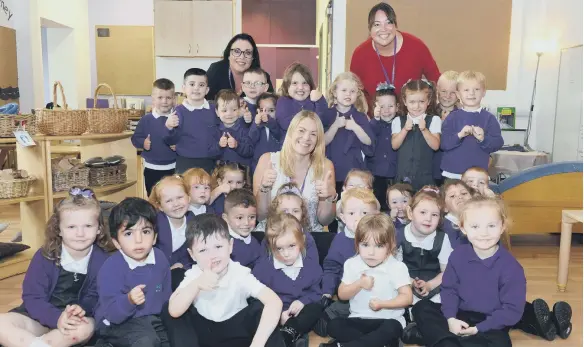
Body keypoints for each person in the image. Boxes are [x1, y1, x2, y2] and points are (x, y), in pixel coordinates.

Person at [0, 187, 109, 347]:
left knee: (86, 329)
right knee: (1, 322)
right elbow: (33, 297)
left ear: (99, 228)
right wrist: (57, 318)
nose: (80, 233)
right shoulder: (44, 256)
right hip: (38, 318)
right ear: (59, 229)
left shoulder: (104, 261)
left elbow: (99, 298)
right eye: (71, 227)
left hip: (74, 323)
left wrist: (78, 311)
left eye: (88, 226)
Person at [412, 196, 525, 347]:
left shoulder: (512, 267)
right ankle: (447, 342)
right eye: (475, 226)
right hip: (459, 314)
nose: (483, 233)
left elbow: (512, 310)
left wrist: (479, 328)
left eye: (491, 226)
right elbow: (449, 289)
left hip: (490, 322)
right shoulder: (458, 255)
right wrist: (450, 318)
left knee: (500, 343)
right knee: (421, 308)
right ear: (464, 228)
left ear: (502, 226)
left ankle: (444, 339)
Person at [162, 214, 285, 347]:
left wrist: (257, 344)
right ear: (192, 255)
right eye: (203, 250)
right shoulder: (194, 274)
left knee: (260, 309)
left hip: (237, 335)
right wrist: (196, 284)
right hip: (205, 335)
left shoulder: (240, 273)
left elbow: (274, 302)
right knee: (171, 308)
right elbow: (174, 310)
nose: (212, 255)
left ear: (230, 246)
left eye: (218, 247)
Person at [321, 214, 412, 347]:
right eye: (365, 245)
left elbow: (407, 298)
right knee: (334, 325)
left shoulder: (397, 266)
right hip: (358, 320)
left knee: (393, 328)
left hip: (387, 320)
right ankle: (378, 343)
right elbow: (342, 294)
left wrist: (383, 304)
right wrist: (359, 284)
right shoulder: (352, 264)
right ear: (357, 244)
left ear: (391, 245)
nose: (371, 252)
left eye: (379, 246)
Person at [95, 197, 171, 347]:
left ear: (155, 237)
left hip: (151, 319)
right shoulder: (111, 268)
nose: (138, 240)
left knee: (171, 339)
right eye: (129, 233)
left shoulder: (160, 259)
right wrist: (129, 300)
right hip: (116, 322)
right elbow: (111, 312)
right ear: (116, 242)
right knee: (146, 341)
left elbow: (165, 297)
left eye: (146, 231)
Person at [254, 110, 337, 233]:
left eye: (313, 134)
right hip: (271, 237)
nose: (306, 138)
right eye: (301, 131)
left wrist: (330, 197)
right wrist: (264, 188)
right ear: (291, 131)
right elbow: (260, 216)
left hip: (309, 240)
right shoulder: (267, 160)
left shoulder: (325, 166)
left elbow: (325, 221)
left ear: (318, 139)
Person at [315, 188, 379, 337]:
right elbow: (332, 268)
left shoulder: (380, 237)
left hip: (377, 292)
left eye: (364, 213)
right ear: (342, 217)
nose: (358, 218)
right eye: (352, 213)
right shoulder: (340, 240)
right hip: (349, 293)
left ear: (375, 215)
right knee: (328, 318)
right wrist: (327, 292)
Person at [253, 212, 324, 347]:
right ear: (270, 247)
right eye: (278, 248)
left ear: (302, 241)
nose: (285, 254)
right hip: (274, 313)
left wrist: (302, 301)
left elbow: (316, 293)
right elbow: (256, 297)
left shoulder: (311, 265)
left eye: (291, 246)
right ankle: (289, 335)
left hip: (301, 312)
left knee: (316, 308)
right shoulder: (263, 268)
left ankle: (290, 333)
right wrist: (278, 315)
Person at [350, 2, 440, 107]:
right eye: (377, 24)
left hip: (412, 119)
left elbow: (437, 83)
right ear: (370, 29)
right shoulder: (360, 55)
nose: (383, 29)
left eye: (388, 23)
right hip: (374, 120)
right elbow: (354, 93)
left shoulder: (417, 47)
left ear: (395, 25)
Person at [397, 186, 453, 345]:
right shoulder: (399, 235)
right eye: (423, 212)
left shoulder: (442, 239)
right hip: (405, 282)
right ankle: (412, 326)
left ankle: (421, 329)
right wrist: (409, 282)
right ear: (410, 213)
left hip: (433, 284)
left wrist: (430, 284)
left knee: (442, 303)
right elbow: (393, 268)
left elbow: (447, 271)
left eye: (434, 215)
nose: (428, 218)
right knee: (397, 300)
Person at [440, 71, 504, 179]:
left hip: (477, 177)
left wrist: (483, 138)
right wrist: (459, 135)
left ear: (484, 92)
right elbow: (444, 144)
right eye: (466, 90)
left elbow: (498, 143)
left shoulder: (489, 118)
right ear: (458, 94)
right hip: (452, 174)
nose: (471, 93)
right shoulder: (452, 117)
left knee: (478, 197)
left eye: (476, 89)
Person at [323, 72, 375, 191]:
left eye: (352, 91)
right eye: (344, 90)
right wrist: (335, 126)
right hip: (331, 168)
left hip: (353, 169)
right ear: (335, 93)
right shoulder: (327, 114)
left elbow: (369, 142)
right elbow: (322, 142)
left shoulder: (360, 116)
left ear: (357, 94)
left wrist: (355, 127)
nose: (348, 94)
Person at [164, 68, 221, 174]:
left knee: (209, 189)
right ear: (183, 88)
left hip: (211, 161)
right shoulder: (178, 111)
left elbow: (221, 130)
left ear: (207, 90)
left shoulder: (215, 109)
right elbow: (171, 141)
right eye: (192, 84)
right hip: (186, 161)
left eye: (201, 85)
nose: (196, 88)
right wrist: (169, 127)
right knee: (186, 189)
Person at [391, 79, 441, 191]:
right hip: (403, 177)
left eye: (421, 102)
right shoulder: (398, 121)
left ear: (428, 101)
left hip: (424, 177)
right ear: (405, 101)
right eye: (412, 102)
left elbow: (436, 145)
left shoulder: (434, 120)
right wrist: (404, 129)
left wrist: (424, 129)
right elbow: (394, 145)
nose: (417, 106)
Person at [131, 78, 177, 196]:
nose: (164, 101)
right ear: (153, 98)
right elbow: (135, 138)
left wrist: (179, 145)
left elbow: (185, 138)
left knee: (172, 196)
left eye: (168, 97)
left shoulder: (178, 119)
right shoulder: (146, 120)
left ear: (174, 99)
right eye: (160, 97)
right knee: (153, 197)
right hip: (152, 168)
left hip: (174, 167)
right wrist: (143, 143)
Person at [258, 183, 319, 261]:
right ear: (275, 213)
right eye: (285, 211)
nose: (291, 214)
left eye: (295, 211)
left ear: (302, 213)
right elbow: (263, 265)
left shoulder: (307, 239)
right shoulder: (269, 237)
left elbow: (312, 265)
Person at [206, 33, 274, 101]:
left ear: (253, 57)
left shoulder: (262, 77)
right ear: (228, 55)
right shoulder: (215, 70)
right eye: (236, 51)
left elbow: (271, 105)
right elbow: (204, 100)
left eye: (248, 53)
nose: (242, 57)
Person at [149, 175, 195, 271]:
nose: (176, 204)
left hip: (181, 268)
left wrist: (182, 264)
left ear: (189, 198)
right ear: (160, 207)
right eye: (169, 200)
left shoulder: (192, 220)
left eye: (179, 197)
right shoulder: (156, 223)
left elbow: (193, 249)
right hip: (157, 269)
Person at [369, 83, 399, 210]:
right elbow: (370, 135)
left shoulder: (400, 124)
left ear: (397, 107)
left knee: (395, 205)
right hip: (376, 173)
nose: (386, 110)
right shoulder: (374, 124)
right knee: (378, 205)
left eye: (390, 106)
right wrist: (375, 118)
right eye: (382, 106)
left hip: (395, 173)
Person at [275, 63, 327, 133]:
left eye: (305, 83)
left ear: (310, 86)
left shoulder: (316, 102)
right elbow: (286, 124)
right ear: (287, 86)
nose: (300, 87)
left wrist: (320, 100)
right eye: (294, 83)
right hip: (290, 143)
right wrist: (311, 123)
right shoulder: (283, 101)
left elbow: (323, 122)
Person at [214, 89, 254, 167]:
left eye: (234, 110)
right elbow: (210, 153)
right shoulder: (215, 130)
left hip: (242, 171)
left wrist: (237, 145)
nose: (229, 114)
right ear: (217, 112)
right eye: (224, 110)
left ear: (239, 110)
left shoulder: (244, 128)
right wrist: (219, 145)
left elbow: (250, 151)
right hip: (222, 172)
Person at [222, 188, 261, 269]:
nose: (246, 223)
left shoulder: (255, 240)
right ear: (226, 218)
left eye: (251, 217)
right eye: (239, 218)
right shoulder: (225, 246)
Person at [433, 71, 460, 186]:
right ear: (437, 90)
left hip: (453, 170)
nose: (447, 96)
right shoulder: (428, 113)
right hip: (431, 169)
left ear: (459, 93)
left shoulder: (462, 116)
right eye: (444, 91)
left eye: (452, 92)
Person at [331, 169, 375, 234]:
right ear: (344, 188)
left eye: (361, 186)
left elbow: (377, 207)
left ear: (369, 190)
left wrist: (370, 196)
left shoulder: (368, 202)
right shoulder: (341, 202)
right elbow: (337, 214)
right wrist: (343, 201)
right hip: (345, 235)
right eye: (351, 185)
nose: (355, 188)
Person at [249, 92, 281, 173]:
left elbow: (278, 133)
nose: (266, 113)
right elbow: (251, 138)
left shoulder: (278, 125)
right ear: (257, 111)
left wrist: (268, 121)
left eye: (271, 110)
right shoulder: (257, 124)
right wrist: (256, 124)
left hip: (276, 165)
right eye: (262, 110)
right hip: (257, 164)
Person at [440, 179, 473, 248]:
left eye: (464, 193)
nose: (460, 197)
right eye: (452, 196)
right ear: (445, 207)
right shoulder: (447, 229)